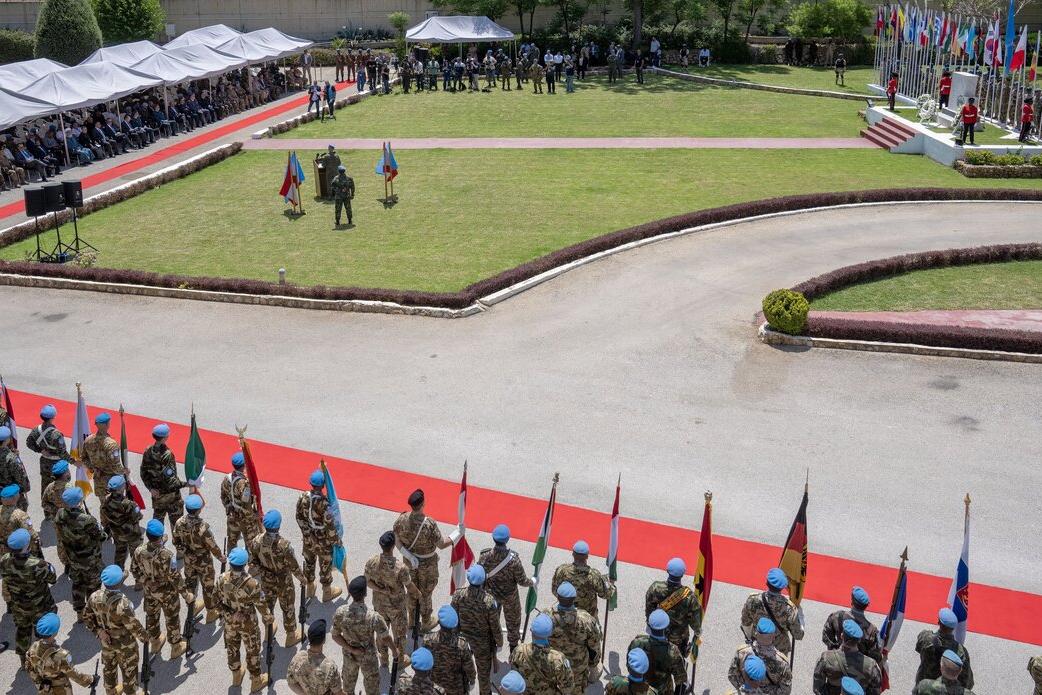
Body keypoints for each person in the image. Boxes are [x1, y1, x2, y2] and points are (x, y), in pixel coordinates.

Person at [131, 518, 192, 659]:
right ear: (159, 538)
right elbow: (174, 577)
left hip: (150, 592)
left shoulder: (139, 551)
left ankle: (155, 642)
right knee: (172, 618)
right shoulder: (167, 556)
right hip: (167, 593)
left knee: (152, 617)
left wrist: (145, 581)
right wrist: (186, 594)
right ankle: (175, 646)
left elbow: (134, 570)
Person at [82, 565, 147, 695]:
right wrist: (145, 637)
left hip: (106, 642)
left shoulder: (94, 597)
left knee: (109, 669)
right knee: (129, 671)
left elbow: (86, 616)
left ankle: (111, 692)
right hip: (125, 645)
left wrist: (99, 631)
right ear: (120, 582)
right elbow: (133, 625)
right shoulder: (123, 604)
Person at [394, 488, 453, 631]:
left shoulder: (401, 520)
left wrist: (409, 556)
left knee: (411, 590)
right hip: (428, 566)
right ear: (423, 503)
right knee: (425, 593)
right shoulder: (429, 524)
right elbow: (441, 544)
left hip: (410, 563)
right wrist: (455, 536)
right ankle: (426, 621)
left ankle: (411, 620)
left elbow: (397, 542)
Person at [216, 547, 273, 692]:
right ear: (245, 563)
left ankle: (236, 675)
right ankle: (256, 680)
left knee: (232, 648)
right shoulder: (252, 584)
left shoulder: (222, 579)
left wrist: (230, 614)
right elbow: (261, 605)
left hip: (230, 623)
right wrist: (268, 618)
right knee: (252, 650)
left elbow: (215, 602)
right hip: (248, 624)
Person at [249, 509, 309, 647]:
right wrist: (302, 579)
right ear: (279, 526)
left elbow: (252, 562)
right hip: (284, 582)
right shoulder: (284, 546)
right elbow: (293, 567)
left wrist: (264, 571)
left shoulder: (256, 541)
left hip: (266, 580)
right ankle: (291, 635)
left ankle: (268, 631)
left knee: (267, 607)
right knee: (288, 607)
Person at [332, 576, 395, 695]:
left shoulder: (340, 612)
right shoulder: (373, 617)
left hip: (349, 655)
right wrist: (394, 650)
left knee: (347, 688)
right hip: (368, 657)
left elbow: (335, 636)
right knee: (372, 689)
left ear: (350, 594)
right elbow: (385, 638)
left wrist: (351, 649)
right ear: (365, 594)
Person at [365, 530, 420, 668]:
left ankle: (383, 659)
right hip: (397, 608)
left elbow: (367, 581)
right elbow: (409, 586)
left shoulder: (372, 562)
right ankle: (400, 660)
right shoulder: (400, 568)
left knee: (381, 632)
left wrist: (381, 589)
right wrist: (419, 594)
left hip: (379, 604)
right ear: (393, 546)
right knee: (399, 635)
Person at [0, 528, 56, 661]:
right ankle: (43, 658)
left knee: (23, 629)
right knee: (42, 629)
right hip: (40, 605)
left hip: (18, 605)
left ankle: (23, 659)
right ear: (27, 545)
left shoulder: (4, 560)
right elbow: (52, 578)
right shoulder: (37, 564)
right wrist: (46, 564)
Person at [478, 524, 533, 654]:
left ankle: (491, 646)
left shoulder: (484, 556)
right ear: (507, 540)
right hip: (510, 597)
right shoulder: (513, 560)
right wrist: (533, 582)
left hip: (491, 597)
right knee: (513, 624)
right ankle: (513, 648)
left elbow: (479, 575)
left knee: (491, 622)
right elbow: (522, 581)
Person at [173, 493, 225, 624]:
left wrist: (186, 552)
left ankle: (192, 607)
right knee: (208, 587)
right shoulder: (203, 527)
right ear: (199, 510)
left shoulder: (179, 523)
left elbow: (176, 541)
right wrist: (221, 557)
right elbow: (212, 545)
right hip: (204, 561)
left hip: (189, 561)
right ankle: (211, 611)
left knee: (190, 584)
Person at [450, 565, 501, 695]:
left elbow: (453, 618)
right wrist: (499, 642)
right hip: (482, 643)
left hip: (463, 640)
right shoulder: (489, 601)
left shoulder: (458, 595)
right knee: (483, 675)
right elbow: (495, 626)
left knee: (462, 671)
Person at [55, 486, 105, 618]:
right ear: (80, 501)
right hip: (90, 561)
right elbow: (102, 536)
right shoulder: (87, 520)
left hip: (73, 558)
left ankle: (79, 612)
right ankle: (93, 613)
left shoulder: (60, 514)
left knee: (77, 584)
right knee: (93, 587)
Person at [296, 469, 343, 602]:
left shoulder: (303, 497)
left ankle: (310, 588)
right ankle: (327, 592)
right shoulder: (324, 503)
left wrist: (306, 533)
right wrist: (336, 541)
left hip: (308, 539)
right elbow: (330, 526)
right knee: (325, 565)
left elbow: (298, 517)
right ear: (323, 486)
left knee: (309, 562)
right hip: (323, 541)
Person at [548, 582, 600, 695]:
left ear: (558, 597)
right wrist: (593, 664)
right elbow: (595, 645)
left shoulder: (547, 617)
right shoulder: (585, 619)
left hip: (553, 664)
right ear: (574, 598)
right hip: (578, 667)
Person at [645, 558, 702, 660]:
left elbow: (649, 609)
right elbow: (695, 621)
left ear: (667, 571)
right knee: (676, 664)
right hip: (678, 638)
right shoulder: (689, 596)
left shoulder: (655, 588)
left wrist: (652, 624)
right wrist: (698, 632)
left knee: (655, 661)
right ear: (682, 574)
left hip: (658, 632)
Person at [25, 612, 97, 692]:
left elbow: (29, 667)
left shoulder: (33, 647)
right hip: (61, 689)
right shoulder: (61, 655)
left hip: (45, 690)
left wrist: (40, 683)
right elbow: (73, 674)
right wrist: (90, 680)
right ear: (54, 633)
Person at [740, 568, 804, 657]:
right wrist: (800, 615)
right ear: (783, 587)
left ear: (767, 582)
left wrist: (751, 638)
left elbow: (745, 623)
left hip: (757, 645)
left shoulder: (753, 600)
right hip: (778, 652)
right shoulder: (790, 609)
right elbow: (798, 635)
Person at [811, 619, 881, 695]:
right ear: (859, 640)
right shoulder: (871, 666)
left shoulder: (826, 658)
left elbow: (817, 689)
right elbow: (875, 692)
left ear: (841, 636)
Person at [552, 540, 614, 622]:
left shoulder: (562, 570)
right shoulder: (594, 575)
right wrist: (611, 584)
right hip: (588, 619)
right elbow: (606, 594)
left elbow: (555, 590)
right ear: (587, 556)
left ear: (573, 554)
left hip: (565, 615)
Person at [627, 610, 686, 695]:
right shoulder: (673, 651)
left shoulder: (637, 643)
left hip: (639, 689)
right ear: (666, 628)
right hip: (663, 691)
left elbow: (630, 665)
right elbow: (681, 681)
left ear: (649, 626)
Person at [511, 613, 572, 695]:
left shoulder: (519, 651)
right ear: (550, 633)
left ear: (531, 631)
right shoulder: (558, 659)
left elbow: (514, 674)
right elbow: (568, 687)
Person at [139, 422, 185, 529]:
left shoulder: (148, 450)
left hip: (157, 495)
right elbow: (170, 481)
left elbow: (143, 472)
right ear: (165, 437)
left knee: (157, 524)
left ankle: (157, 543)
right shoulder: (167, 455)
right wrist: (187, 484)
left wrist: (151, 488)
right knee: (177, 525)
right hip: (171, 497)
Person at [728, 618, 791, 695]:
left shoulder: (742, 652)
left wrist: (748, 689)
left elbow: (732, 676)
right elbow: (785, 691)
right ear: (774, 637)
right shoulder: (782, 662)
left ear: (755, 633)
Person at [424, 605, 476, 695]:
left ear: (439, 622)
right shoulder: (461, 644)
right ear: (455, 625)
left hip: (435, 685)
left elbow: (424, 662)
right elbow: (469, 667)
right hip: (456, 686)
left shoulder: (428, 640)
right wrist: (472, 679)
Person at [914, 608, 973, 688]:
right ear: (954, 628)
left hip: (924, 688)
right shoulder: (961, 651)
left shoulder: (926, 638)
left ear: (939, 622)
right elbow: (968, 682)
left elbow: (919, 646)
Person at [822, 586, 882, 661]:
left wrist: (835, 651)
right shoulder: (871, 630)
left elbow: (826, 636)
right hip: (858, 668)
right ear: (866, 606)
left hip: (836, 662)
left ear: (851, 601)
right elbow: (875, 656)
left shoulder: (837, 616)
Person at [288, 619, 346, 695]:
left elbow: (291, 683)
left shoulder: (297, 658)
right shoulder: (330, 666)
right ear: (324, 640)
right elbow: (338, 693)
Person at [25, 404, 68, 503]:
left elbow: (29, 443)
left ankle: (47, 511)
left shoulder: (36, 430)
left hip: (44, 462)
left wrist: (40, 450)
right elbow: (63, 453)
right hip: (58, 464)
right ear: (53, 417)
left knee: (45, 486)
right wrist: (75, 462)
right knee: (60, 486)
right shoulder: (56, 434)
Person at [101, 475, 143, 570]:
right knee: (136, 554)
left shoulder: (106, 501)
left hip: (117, 533)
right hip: (132, 534)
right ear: (121, 488)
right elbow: (138, 517)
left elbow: (105, 515)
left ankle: (118, 573)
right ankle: (138, 574)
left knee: (120, 553)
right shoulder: (129, 504)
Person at [221, 451, 261, 549]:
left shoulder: (227, 478)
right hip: (244, 518)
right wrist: (254, 517)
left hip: (232, 515)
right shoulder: (244, 484)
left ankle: (233, 560)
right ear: (244, 465)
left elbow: (223, 496)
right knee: (250, 542)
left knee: (232, 540)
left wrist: (228, 507)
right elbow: (246, 504)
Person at [41, 462, 73, 567]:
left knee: (61, 541)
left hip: (57, 519)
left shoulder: (49, 487)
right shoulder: (69, 488)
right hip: (71, 520)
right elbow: (77, 505)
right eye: (67, 470)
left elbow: (44, 504)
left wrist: (56, 510)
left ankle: (65, 562)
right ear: (64, 474)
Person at [0, 426, 30, 512]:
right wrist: (25, 488)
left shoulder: (11, 455)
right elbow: (20, 477)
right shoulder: (11, 458)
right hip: (11, 492)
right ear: (6, 440)